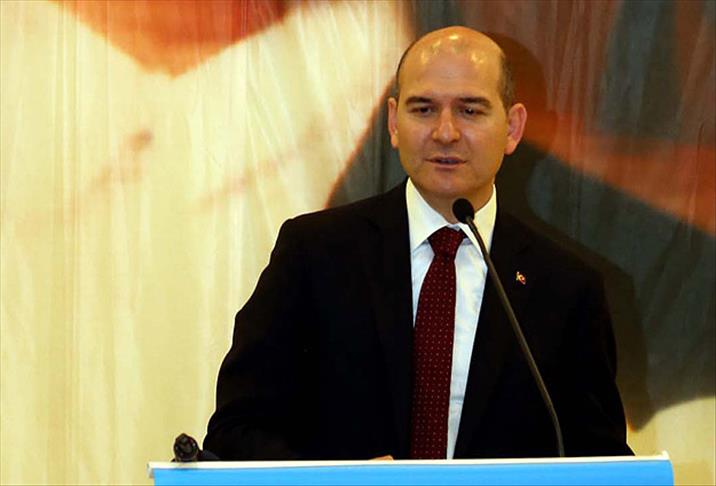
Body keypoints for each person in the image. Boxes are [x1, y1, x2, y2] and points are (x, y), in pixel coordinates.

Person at [203, 26, 631, 460]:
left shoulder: (567, 288)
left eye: (470, 110)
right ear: (393, 122)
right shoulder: (313, 254)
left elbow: (601, 460)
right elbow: (235, 431)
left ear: (513, 128)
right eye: (423, 109)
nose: (445, 132)